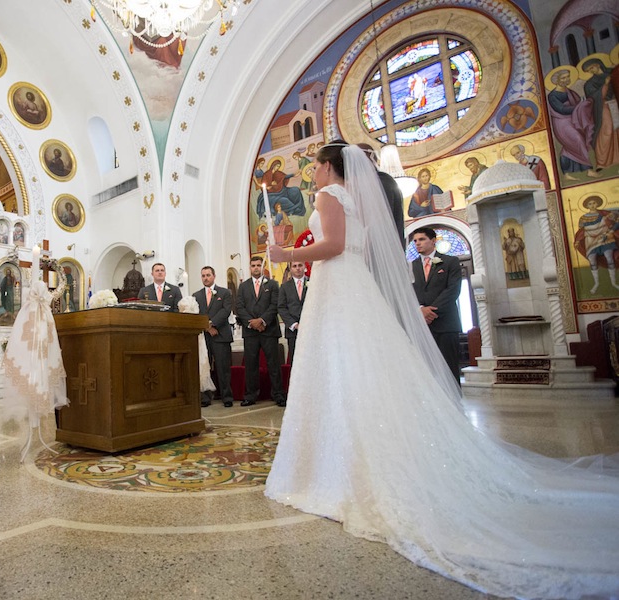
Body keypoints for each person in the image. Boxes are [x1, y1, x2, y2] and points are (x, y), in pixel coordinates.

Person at [265, 142, 619, 600]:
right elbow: (358, 246)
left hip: (336, 284)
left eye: (315, 166)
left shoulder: (330, 197)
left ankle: (337, 468)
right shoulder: (357, 201)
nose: (311, 173)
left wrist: (286, 255)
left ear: (331, 167)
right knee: (356, 368)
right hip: (350, 285)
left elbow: (331, 246)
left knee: (338, 368)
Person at [410, 226, 462, 383]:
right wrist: (420, 309)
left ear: (433, 241)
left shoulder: (450, 262)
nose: (417, 243)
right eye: (415, 241)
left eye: (421, 239)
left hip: (446, 323)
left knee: (449, 368)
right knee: (426, 370)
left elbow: (452, 290)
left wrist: (431, 311)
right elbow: (407, 291)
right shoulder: (410, 266)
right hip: (421, 324)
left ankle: (454, 404)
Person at [235, 255, 284, 407]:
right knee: (251, 364)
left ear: (262, 267)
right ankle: (251, 395)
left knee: (273, 364)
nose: (256, 268)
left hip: (269, 330)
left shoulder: (273, 284)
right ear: (250, 268)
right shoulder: (243, 287)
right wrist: (253, 323)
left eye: (258, 265)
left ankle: (278, 394)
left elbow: (275, 305)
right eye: (253, 265)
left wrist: (262, 321)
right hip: (250, 332)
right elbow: (239, 307)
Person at [192, 266, 234, 408]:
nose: (205, 278)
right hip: (204, 336)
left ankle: (226, 396)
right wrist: (208, 327)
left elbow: (226, 310)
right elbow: (196, 313)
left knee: (223, 368)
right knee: (204, 367)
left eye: (208, 275)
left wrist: (213, 323)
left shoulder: (225, 292)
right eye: (203, 275)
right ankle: (205, 397)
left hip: (221, 335)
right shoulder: (196, 295)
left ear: (214, 276)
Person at [546, 68, 597, 179]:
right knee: (578, 140)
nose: (566, 79)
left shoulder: (571, 92)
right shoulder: (553, 96)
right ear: (556, 80)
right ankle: (589, 169)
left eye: (567, 77)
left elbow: (579, 103)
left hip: (574, 120)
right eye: (563, 78)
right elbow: (561, 109)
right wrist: (580, 107)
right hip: (561, 123)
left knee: (568, 148)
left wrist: (583, 105)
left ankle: (566, 173)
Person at [357, 143, 405, 247]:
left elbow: (380, 219)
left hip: (385, 246)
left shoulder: (382, 181)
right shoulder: (367, 182)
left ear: (370, 158)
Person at [573, 195, 619, 294]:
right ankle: (596, 284)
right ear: (587, 206)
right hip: (590, 240)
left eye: (594, 203)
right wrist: (577, 240)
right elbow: (582, 231)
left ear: (597, 203)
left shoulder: (604, 213)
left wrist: (610, 232)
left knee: (609, 258)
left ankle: (614, 283)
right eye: (590, 204)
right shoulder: (583, 218)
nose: (592, 205)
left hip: (605, 237)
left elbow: (616, 222)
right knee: (592, 261)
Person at [581, 58, 619, 171]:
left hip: (615, 104)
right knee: (606, 131)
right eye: (589, 70)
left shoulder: (612, 73)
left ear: (598, 64)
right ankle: (602, 162)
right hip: (603, 107)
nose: (591, 71)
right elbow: (593, 98)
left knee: (617, 130)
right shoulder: (590, 84)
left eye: (592, 67)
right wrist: (605, 85)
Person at [277, 260, 307, 364]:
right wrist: (294, 324)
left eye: (300, 265)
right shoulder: (285, 287)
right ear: (291, 269)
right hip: (293, 331)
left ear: (304, 266)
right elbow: (281, 307)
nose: (298, 268)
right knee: (295, 362)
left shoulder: (313, 283)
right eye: (294, 266)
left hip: (310, 329)